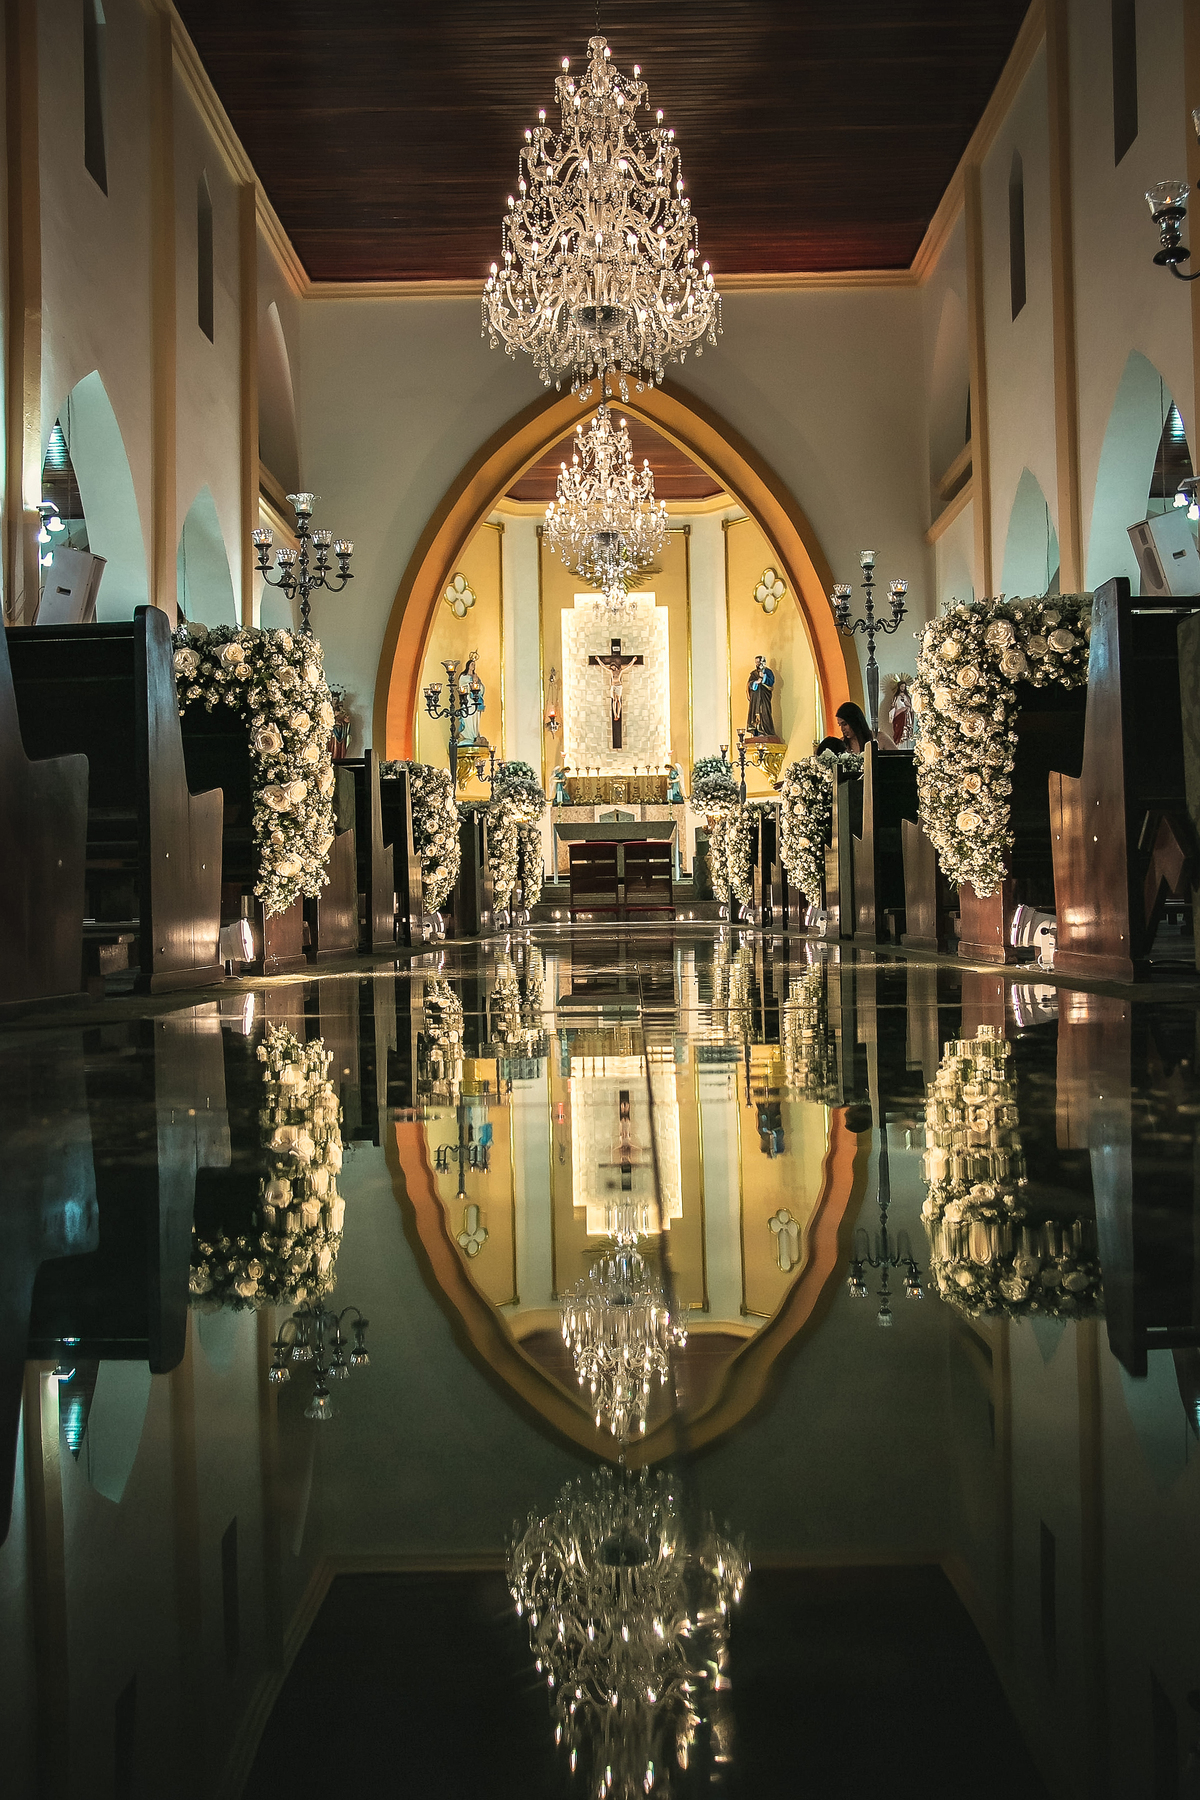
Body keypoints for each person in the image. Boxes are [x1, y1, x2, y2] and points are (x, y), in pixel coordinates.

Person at [746, 655, 777, 737]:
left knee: (764, 712)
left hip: (764, 697)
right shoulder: (753, 673)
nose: (757, 664)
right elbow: (749, 684)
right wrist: (756, 682)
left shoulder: (768, 672)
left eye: (758, 662)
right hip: (755, 698)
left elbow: (771, 682)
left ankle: (765, 731)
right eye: (756, 662)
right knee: (755, 713)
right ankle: (756, 731)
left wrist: (764, 678)